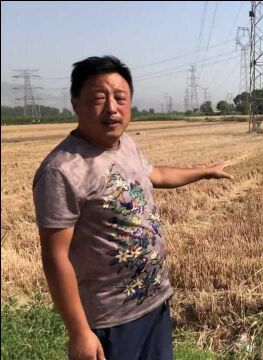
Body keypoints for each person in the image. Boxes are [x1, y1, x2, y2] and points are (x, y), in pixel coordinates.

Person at [33, 55, 232, 360]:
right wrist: (79, 333)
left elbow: (157, 175)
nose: (111, 108)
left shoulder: (125, 144)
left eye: (120, 98)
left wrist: (205, 171)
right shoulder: (62, 171)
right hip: (110, 321)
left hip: (154, 303)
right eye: (99, 98)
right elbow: (55, 256)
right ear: (75, 102)